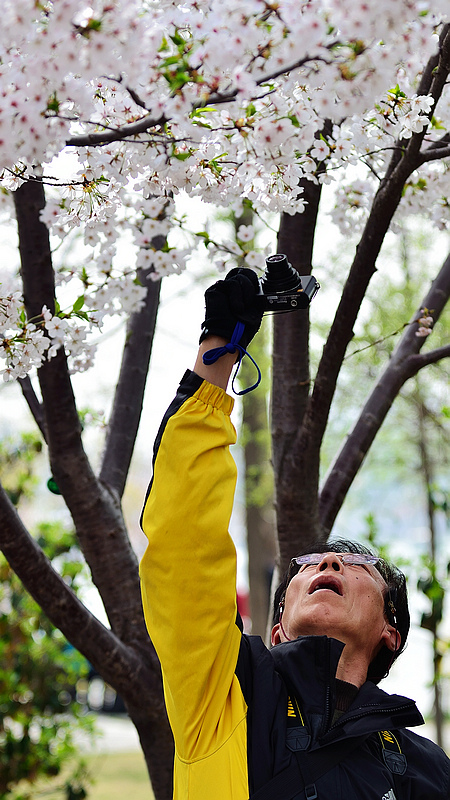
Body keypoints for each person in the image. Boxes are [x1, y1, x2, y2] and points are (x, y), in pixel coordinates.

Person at [139, 268, 450, 800]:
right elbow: (185, 545)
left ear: (390, 634)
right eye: (310, 564)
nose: (329, 565)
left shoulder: (428, 771)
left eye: (357, 566)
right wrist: (217, 357)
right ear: (278, 628)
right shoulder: (226, 695)